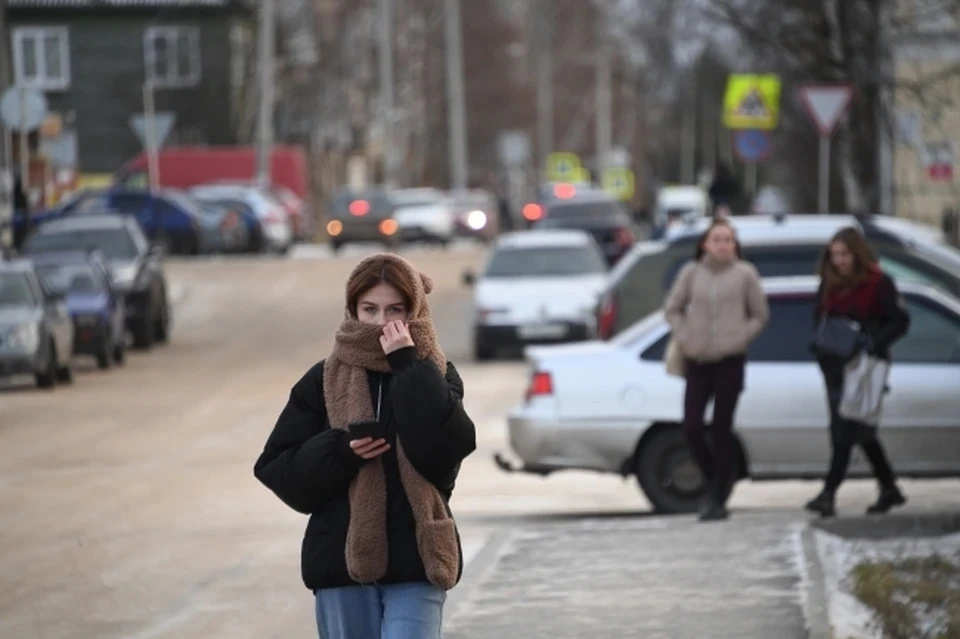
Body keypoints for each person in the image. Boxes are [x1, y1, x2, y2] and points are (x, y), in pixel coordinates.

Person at [253, 253, 477, 639]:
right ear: (352, 310)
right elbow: (276, 468)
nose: (380, 322)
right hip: (342, 563)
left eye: (395, 310)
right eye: (369, 309)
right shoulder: (322, 379)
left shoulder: (435, 373)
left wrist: (408, 366)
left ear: (414, 312)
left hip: (418, 560)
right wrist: (340, 452)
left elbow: (447, 453)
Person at [664, 219, 769, 521]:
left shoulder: (744, 274)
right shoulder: (692, 273)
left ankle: (715, 498)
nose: (723, 245)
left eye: (728, 240)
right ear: (705, 244)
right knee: (692, 427)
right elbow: (673, 309)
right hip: (697, 360)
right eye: (717, 239)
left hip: (729, 361)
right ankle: (717, 483)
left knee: (722, 430)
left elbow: (760, 315)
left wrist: (740, 336)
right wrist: (686, 336)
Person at [805, 228, 910, 518]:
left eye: (844, 254)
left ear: (857, 253)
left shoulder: (877, 283)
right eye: (834, 255)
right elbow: (819, 316)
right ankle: (889, 487)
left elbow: (900, 321)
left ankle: (828, 493)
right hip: (834, 363)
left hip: (865, 365)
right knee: (860, 430)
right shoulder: (829, 282)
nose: (839, 261)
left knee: (846, 427)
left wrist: (871, 341)